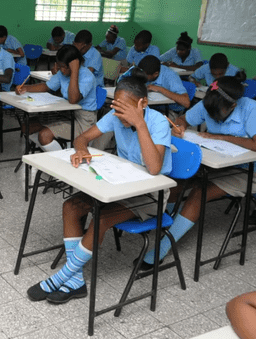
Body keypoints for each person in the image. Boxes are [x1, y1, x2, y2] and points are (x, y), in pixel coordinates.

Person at [27, 73, 172, 304]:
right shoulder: (116, 117)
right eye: (117, 109)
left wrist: (139, 123)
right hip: (120, 185)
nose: (119, 116)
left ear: (142, 104)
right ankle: (76, 282)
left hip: (151, 194)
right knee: (71, 206)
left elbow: (154, 168)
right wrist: (81, 149)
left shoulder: (158, 122)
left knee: (102, 217)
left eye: (125, 111)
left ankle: (64, 276)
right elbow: (82, 138)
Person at [139, 77, 256, 270]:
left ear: (234, 105)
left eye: (218, 114)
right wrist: (181, 126)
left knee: (199, 192)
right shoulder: (210, 102)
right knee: (174, 183)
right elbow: (184, 118)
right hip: (218, 163)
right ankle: (164, 221)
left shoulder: (251, 108)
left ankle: (163, 248)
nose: (213, 117)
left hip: (248, 170)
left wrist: (220, 137)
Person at [17, 45, 97, 151]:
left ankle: (62, 159)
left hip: (83, 121)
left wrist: (74, 72)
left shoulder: (87, 76)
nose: (62, 70)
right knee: (26, 126)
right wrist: (25, 88)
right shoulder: (62, 74)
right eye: (60, 66)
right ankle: (57, 150)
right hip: (66, 114)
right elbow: (47, 86)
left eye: (64, 67)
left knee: (44, 135)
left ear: (73, 65)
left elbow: (73, 100)